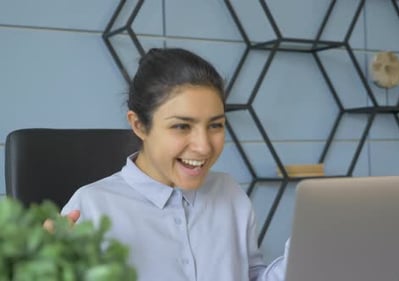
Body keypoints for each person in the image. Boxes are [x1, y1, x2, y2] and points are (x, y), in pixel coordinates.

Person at [60, 48, 288, 281]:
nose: (204, 146)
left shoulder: (229, 192)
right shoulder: (91, 207)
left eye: (215, 125)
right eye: (182, 126)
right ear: (139, 125)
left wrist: (303, 256)